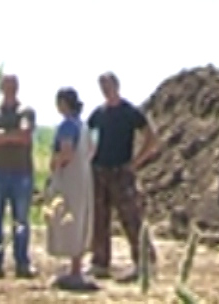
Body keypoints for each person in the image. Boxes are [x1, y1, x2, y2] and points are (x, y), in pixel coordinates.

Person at [87, 71, 160, 281]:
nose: (105, 89)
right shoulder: (98, 114)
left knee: (131, 217)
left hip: (121, 170)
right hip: (99, 170)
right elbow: (88, 138)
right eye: (102, 85)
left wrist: (136, 162)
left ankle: (144, 262)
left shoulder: (130, 112)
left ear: (117, 85)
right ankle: (100, 262)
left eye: (108, 85)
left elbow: (151, 137)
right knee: (99, 219)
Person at [0, 73, 36, 278]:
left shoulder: (26, 111)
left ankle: (22, 262)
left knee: (21, 219)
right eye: (7, 85)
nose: (10, 88)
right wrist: (11, 136)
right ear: (1, 87)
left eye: (13, 85)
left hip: (21, 173)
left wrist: (0, 136)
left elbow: (25, 135)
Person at [43, 86, 99, 292]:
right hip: (83, 177)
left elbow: (66, 152)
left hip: (68, 178)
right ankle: (76, 265)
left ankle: (75, 271)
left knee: (68, 219)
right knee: (80, 218)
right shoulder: (83, 126)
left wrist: (54, 165)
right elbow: (91, 150)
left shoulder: (67, 125)